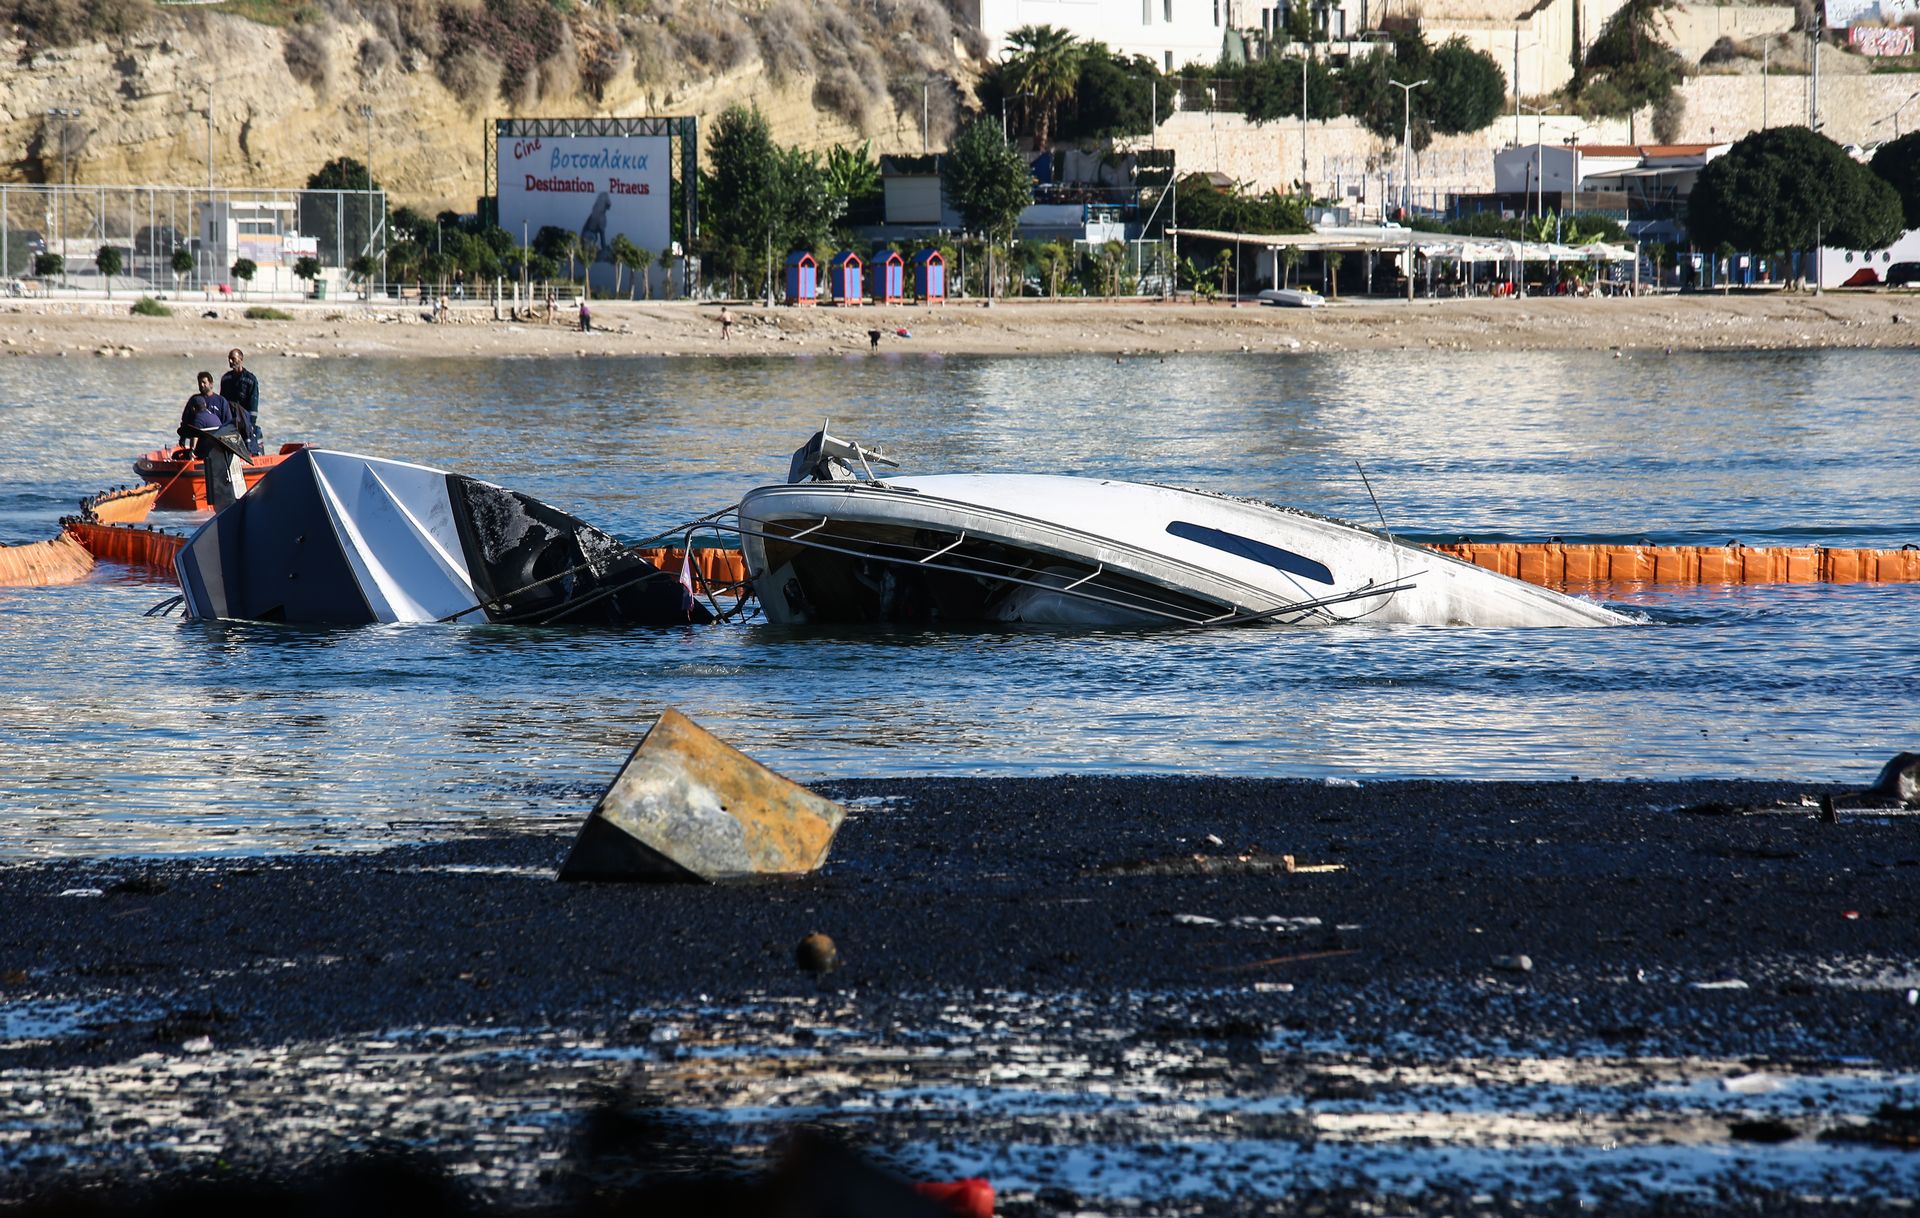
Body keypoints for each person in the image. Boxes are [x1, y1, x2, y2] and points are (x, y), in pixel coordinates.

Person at [178, 371, 251, 511]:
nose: (201, 385)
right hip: (200, 447)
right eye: (199, 382)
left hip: (217, 446)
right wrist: (183, 439)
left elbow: (228, 424)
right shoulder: (194, 401)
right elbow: (186, 422)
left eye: (204, 382)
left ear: (211, 384)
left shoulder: (221, 401)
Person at [219, 348, 262, 456]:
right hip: (229, 418)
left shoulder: (250, 380)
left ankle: (250, 451)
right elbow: (222, 401)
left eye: (233, 359)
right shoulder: (226, 379)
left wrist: (250, 424)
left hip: (245, 419)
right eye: (229, 359)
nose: (230, 362)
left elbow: (253, 404)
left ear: (241, 359)